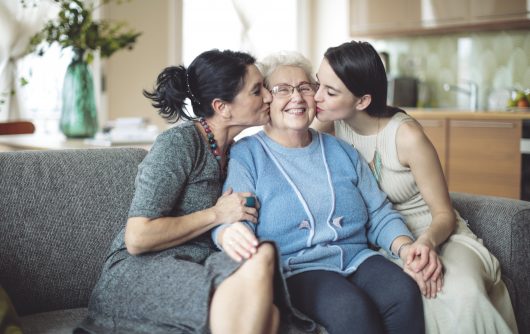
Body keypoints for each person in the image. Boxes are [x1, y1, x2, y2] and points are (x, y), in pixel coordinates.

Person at [212, 51, 428, 334]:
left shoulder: (341, 151)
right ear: (266, 99)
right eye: (282, 90)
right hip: (298, 267)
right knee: (351, 310)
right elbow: (236, 217)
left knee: (404, 292)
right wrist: (228, 233)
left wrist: (405, 247)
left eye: (304, 88)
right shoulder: (248, 155)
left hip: (357, 256)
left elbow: (378, 212)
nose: (297, 98)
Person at [312, 40, 519, 334]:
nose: (317, 97)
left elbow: (444, 215)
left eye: (330, 92)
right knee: (405, 294)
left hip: (438, 237)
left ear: (362, 101)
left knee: (462, 294)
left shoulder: (406, 136)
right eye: (318, 84)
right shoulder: (331, 124)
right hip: (385, 243)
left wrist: (426, 244)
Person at [75, 49, 281, 334]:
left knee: (265, 267)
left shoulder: (237, 151)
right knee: (259, 312)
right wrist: (216, 214)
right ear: (223, 107)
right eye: (257, 90)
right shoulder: (179, 144)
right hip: (141, 269)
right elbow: (137, 237)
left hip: (196, 263)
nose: (269, 97)